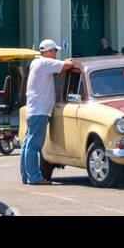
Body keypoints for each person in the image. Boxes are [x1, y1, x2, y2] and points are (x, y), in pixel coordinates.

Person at [20, 39, 82, 186]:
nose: (56, 53)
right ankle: (34, 177)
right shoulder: (44, 63)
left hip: (34, 110)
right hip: (40, 111)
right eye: (54, 51)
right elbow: (67, 65)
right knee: (34, 146)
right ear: (47, 51)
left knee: (27, 144)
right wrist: (71, 60)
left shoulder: (36, 63)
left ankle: (26, 175)